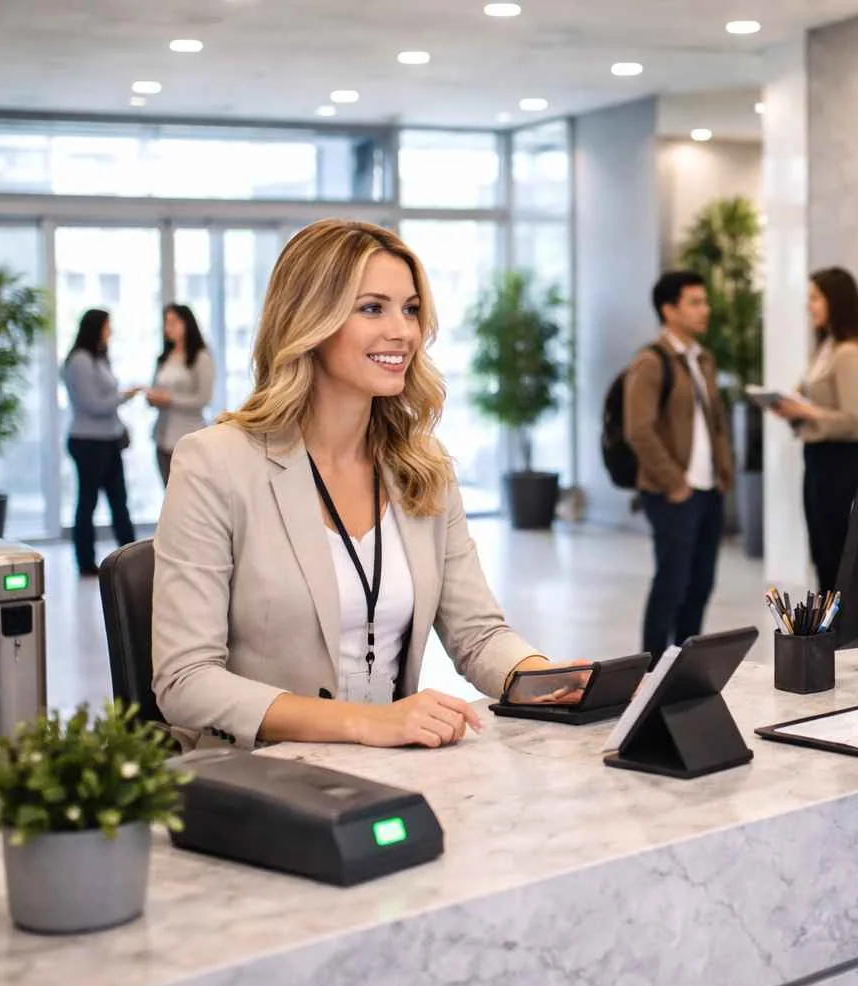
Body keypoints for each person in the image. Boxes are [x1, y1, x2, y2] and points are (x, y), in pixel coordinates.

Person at [151, 219, 585, 751]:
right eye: (372, 307)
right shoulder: (216, 463)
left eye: (409, 308)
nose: (402, 331)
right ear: (309, 319)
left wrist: (545, 680)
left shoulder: (422, 467)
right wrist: (365, 722)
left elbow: (477, 633)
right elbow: (185, 679)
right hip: (256, 775)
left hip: (387, 767)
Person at [623, 270, 735, 658]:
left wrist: (723, 471)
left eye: (705, 301)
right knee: (671, 582)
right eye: (695, 302)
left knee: (700, 583)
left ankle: (684, 665)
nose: (706, 309)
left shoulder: (703, 359)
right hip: (672, 493)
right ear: (668, 310)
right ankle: (651, 668)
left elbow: (714, 421)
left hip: (708, 490)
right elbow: (639, 430)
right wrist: (674, 482)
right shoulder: (651, 362)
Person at [769, 267, 858, 592]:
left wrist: (804, 409)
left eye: (815, 298)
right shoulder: (825, 348)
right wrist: (792, 409)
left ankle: (839, 636)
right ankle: (826, 635)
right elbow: (820, 409)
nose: (809, 306)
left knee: (837, 557)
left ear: (836, 301)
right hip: (816, 459)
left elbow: (853, 420)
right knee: (821, 555)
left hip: (840, 463)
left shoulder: (848, 353)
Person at [62, 308, 140, 577]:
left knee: (120, 501)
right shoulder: (80, 361)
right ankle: (85, 562)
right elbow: (92, 404)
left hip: (107, 441)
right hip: (88, 442)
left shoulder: (98, 358)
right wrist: (124, 397)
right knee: (88, 502)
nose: (111, 332)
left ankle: (132, 558)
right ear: (96, 328)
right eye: (107, 327)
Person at [147, 303, 215, 485]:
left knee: (187, 495)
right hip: (162, 437)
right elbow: (154, 389)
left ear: (187, 324)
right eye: (166, 323)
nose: (168, 328)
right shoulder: (164, 358)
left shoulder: (201, 358)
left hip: (188, 437)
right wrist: (152, 398)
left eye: (174, 322)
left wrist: (170, 399)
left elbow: (203, 399)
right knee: (167, 492)